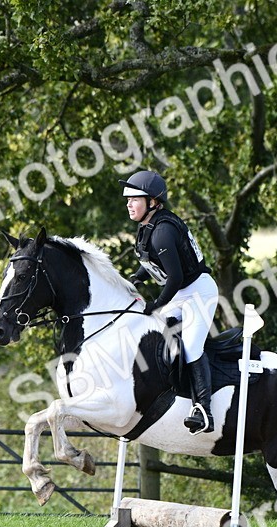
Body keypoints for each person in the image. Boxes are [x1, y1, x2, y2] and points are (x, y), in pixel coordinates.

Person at [119, 170, 219, 434]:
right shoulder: (148, 225)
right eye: (127, 199)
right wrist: (137, 277)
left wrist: (157, 305)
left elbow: (173, 278)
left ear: (152, 201)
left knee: (191, 347)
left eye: (134, 199)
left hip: (199, 292)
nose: (128, 204)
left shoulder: (162, 231)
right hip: (180, 292)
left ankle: (203, 410)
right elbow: (152, 262)